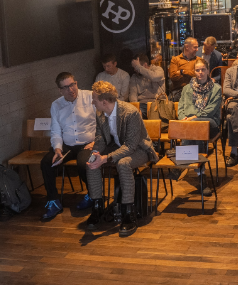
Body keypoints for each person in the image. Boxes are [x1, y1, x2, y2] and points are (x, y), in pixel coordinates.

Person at [85, 81, 157, 236]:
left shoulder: (130, 113)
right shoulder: (100, 112)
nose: (92, 102)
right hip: (117, 146)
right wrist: (96, 154)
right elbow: (100, 138)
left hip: (139, 148)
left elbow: (130, 146)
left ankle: (128, 213)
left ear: (104, 101)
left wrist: (106, 158)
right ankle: (97, 207)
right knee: (91, 162)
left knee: (123, 163)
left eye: (94, 99)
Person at [39, 72, 96, 221]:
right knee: (47, 162)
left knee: (84, 163)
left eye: (72, 85)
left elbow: (103, 122)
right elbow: (55, 130)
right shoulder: (56, 105)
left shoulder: (90, 97)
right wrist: (57, 148)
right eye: (66, 87)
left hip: (88, 143)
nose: (71, 89)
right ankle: (54, 201)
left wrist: (97, 141)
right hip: (68, 144)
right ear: (60, 90)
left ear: (76, 83)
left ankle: (93, 194)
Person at [178, 58, 222, 197]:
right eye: (197, 70)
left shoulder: (216, 88)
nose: (200, 72)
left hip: (211, 123)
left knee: (197, 125)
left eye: (203, 69)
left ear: (208, 71)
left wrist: (193, 118)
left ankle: (181, 162)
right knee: (196, 130)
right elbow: (180, 108)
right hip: (191, 125)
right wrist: (184, 119)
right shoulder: (186, 88)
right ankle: (201, 175)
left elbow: (211, 110)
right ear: (194, 71)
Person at [129, 53, 166, 118]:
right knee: (133, 114)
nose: (135, 69)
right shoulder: (134, 77)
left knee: (155, 114)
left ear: (145, 65)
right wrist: (136, 108)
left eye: (136, 67)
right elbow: (133, 95)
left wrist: (139, 67)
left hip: (157, 102)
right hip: (142, 104)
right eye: (134, 67)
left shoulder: (158, 70)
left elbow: (154, 77)